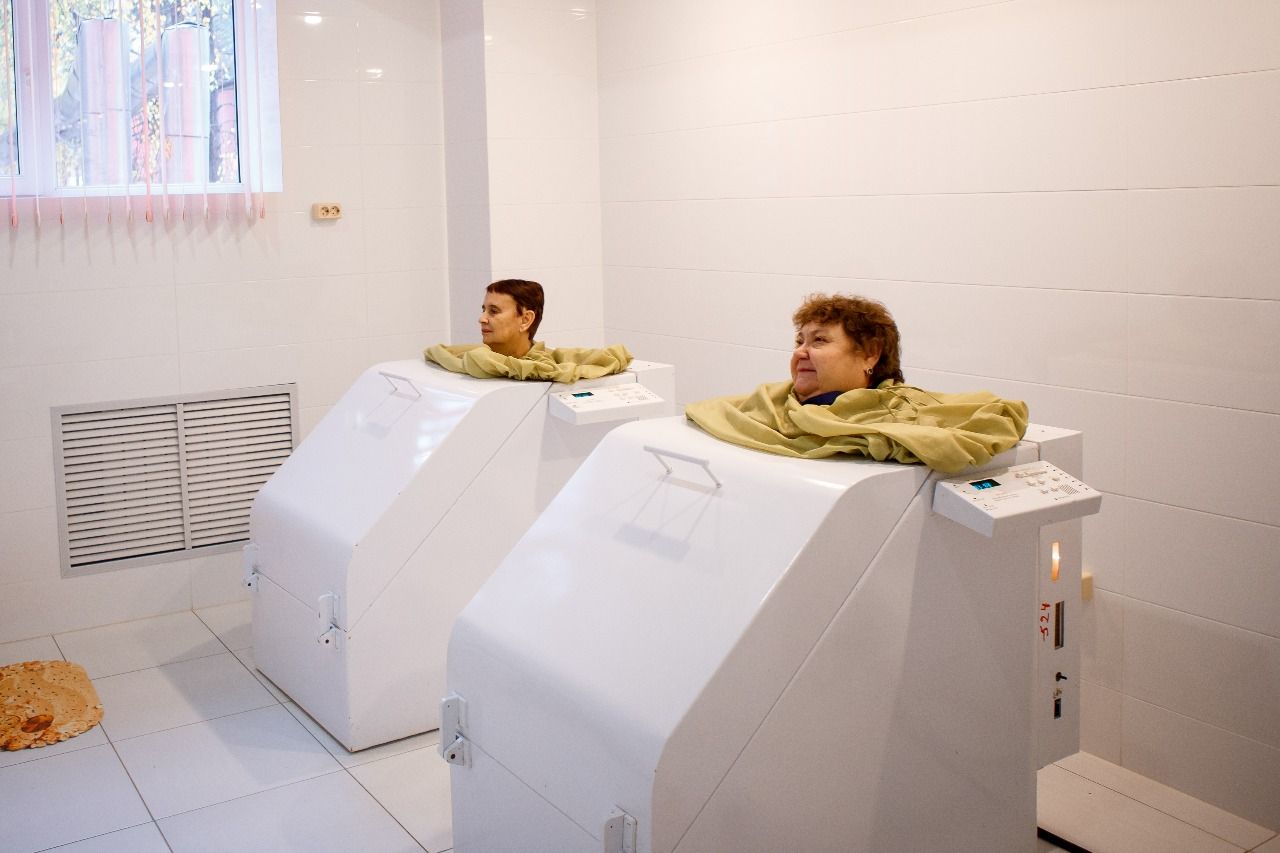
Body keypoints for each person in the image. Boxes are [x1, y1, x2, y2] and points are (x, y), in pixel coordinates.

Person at [790, 293, 904, 405]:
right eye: (799, 342)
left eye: (819, 339)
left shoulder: (904, 414)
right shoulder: (779, 402)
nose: (798, 352)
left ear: (870, 354)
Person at [479, 279, 544, 358]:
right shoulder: (471, 359)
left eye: (493, 311)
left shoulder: (551, 364)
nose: (481, 319)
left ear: (525, 320)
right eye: (484, 310)